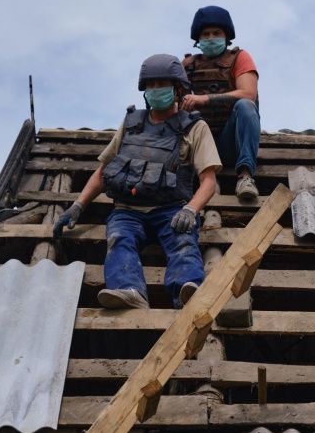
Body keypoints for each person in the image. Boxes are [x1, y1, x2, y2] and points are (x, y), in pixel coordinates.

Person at [54, 54, 221, 310]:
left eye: (162, 85)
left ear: (177, 89)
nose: (156, 91)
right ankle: (129, 290)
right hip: (127, 210)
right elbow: (104, 170)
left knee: (183, 241)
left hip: (171, 209)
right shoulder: (132, 123)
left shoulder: (194, 127)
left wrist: (191, 209)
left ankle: (188, 291)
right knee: (119, 238)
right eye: (151, 86)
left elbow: (208, 181)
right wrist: (78, 205)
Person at [180, 5, 260, 201]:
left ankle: (245, 176)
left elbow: (248, 93)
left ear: (227, 36)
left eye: (216, 33)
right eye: (205, 34)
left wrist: (204, 99)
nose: (210, 37)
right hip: (199, 147)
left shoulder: (240, 57)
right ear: (198, 39)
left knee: (246, 106)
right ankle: (205, 178)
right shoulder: (187, 66)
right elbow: (174, 104)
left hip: (229, 143)